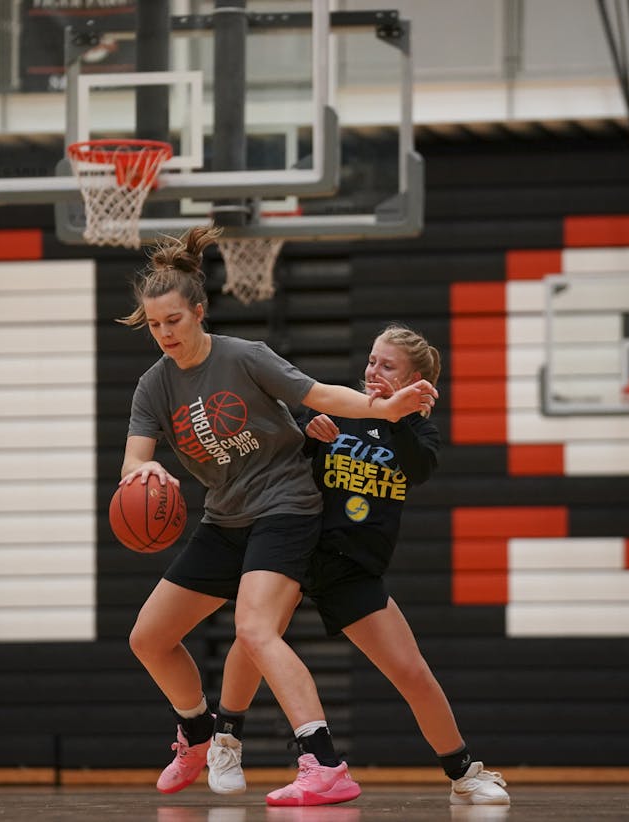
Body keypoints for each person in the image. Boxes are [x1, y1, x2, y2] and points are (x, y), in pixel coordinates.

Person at [119, 227, 440, 807]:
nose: (164, 333)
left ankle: (322, 760)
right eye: (154, 324)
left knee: (256, 629)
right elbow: (134, 463)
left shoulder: (244, 357)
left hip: (287, 505)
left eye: (173, 320)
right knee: (148, 638)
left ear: (198, 312)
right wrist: (147, 475)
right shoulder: (153, 386)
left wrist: (382, 406)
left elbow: (319, 395)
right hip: (226, 516)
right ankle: (196, 731)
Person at [206, 324, 511, 806]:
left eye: (386, 366)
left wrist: (395, 415)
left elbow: (418, 468)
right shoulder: (340, 404)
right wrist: (308, 432)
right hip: (300, 544)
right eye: (371, 361)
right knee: (255, 634)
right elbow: (283, 457)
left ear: (414, 380)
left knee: (413, 672)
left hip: (352, 566)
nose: (372, 371)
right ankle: (226, 741)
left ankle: (464, 773)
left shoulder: (419, 432)